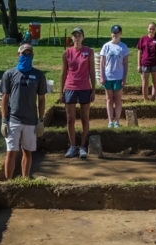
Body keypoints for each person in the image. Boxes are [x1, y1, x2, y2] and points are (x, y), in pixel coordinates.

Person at [0, 43, 47, 180]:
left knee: (27, 152)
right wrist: (4, 120)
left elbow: (42, 99)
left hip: (31, 121)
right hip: (13, 119)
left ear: (32, 56)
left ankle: (25, 180)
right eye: (23, 53)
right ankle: (9, 182)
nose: (26, 56)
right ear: (18, 55)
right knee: (11, 152)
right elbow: (4, 98)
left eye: (29, 54)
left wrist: (41, 120)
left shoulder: (38, 75)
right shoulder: (9, 74)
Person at [59, 27, 95, 158]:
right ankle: (72, 146)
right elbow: (63, 73)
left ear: (83, 37)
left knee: (85, 118)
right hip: (70, 87)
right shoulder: (66, 53)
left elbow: (92, 72)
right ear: (72, 38)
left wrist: (93, 90)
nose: (77, 37)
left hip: (85, 88)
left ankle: (82, 147)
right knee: (70, 119)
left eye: (79, 35)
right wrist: (61, 92)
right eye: (75, 35)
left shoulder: (89, 52)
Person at [100, 25, 129, 128]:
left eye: (117, 32)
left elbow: (125, 63)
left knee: (117, 99)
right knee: (109, 99)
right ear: (111, 33)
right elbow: (102, 63)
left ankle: (117, 120)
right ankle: (110, 121)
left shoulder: (123, 47)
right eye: (113, 32)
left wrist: (124, 78)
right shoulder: (106, 46)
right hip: (108, 76)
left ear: (120, 33)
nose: (115, 34)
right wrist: (102, 76)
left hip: (119, 77)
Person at [136, 22, 156, 101]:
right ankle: (145, 99)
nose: (151, 30)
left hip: (155, 64)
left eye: (153, 29)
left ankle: (153, 98)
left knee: (155, 83)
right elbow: (139, 52)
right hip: (145, 64)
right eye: (150, 29)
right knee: (145, 83)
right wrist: (139, 65)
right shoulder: (143, 39)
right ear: (147, 29)